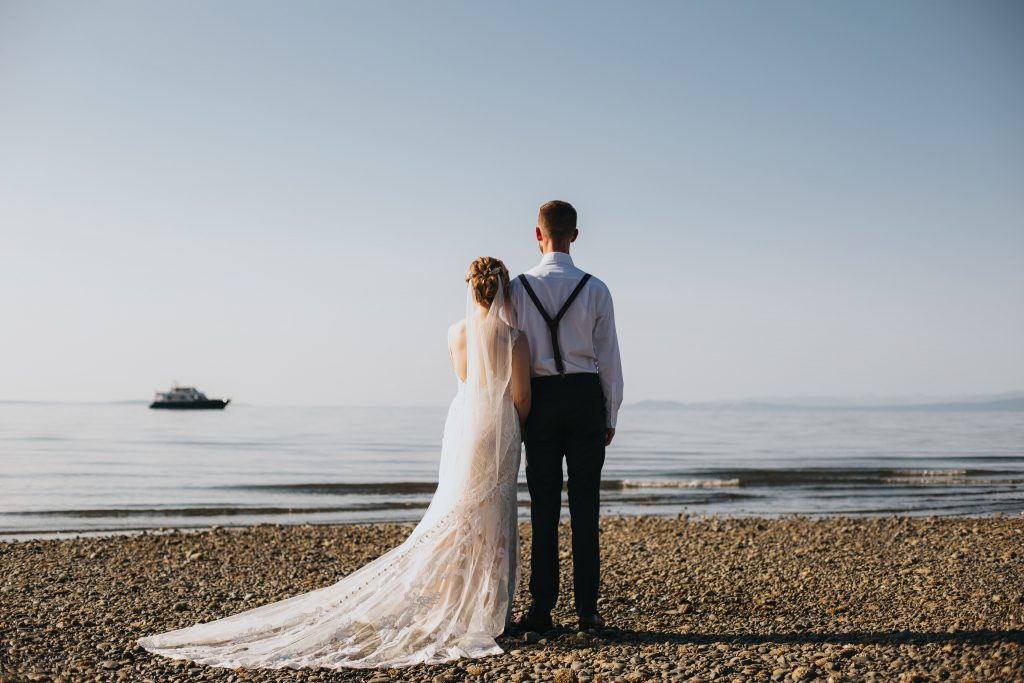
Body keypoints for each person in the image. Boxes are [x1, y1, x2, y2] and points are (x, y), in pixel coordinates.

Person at [136, 257, 532, 669]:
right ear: (504, 288)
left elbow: (466, 381)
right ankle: (484, 607)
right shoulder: (514, 338)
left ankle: (454, 599)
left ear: (471, 289)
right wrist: (516, 426)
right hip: (497, 427)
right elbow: (520, 397)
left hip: (465, 425)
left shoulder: (455, 332)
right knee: (490, 514)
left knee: (457, 512)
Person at [510, 200, 623, 633]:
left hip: (538, 401)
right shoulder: (596, 289)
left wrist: (514, 413)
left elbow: (509, 355)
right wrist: (609, 412)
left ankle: (541, 609)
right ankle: (587, 611)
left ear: (537, 235)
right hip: (584, 399)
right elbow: (609, 359)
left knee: (543, 508)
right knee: (585, 507)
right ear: (574, 235)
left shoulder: (518, 289)